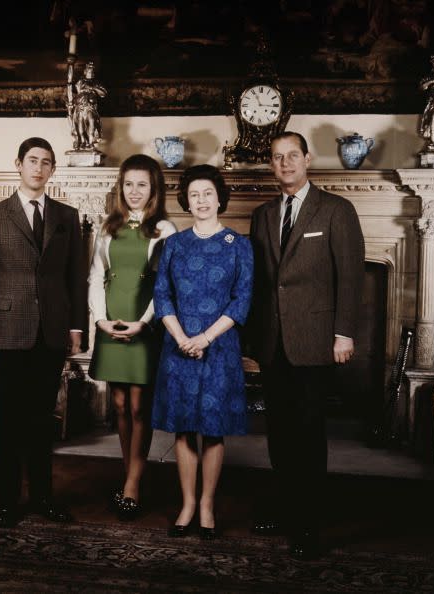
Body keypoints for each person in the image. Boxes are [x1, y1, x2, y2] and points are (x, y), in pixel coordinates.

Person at [248, 131, 364, 560]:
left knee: (309, 434)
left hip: (316, 342)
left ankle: (309, 524)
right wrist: (250, 340)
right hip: (273, 343)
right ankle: (286, 506)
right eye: (277, 158)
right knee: (279, 434)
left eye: (292, 155)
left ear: (307, 159)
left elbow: (350, 277)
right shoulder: (262, 215)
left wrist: (344, 333)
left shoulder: (336, 210)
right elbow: (260, 283)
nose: (285, 164)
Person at [0, 137, 85, 528]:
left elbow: (77, 277)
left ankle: (42, 498)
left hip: (51, 332)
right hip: (5, 330)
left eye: (46, 163)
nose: (39, 168)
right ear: (18, 164)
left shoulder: (67, 217)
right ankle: (6, 501)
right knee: (8, 420)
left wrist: (75, 327)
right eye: (32, 161)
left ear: (53, 170)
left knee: (42, 420)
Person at [152, 165, 253, 539]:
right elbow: (162, 295)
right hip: (178, 347)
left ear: (219, 197)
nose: (201, 201)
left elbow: (242, 300)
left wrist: (206, 338)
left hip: (219, 347)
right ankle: (188, 503)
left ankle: (208, 504)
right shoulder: (174, 244)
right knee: (183, 429)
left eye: (208, 193)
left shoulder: (239, 245)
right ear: (186, 200)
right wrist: (181, 337)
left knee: (213, 430)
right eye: (194, 194)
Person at [88, 154, 176, 519]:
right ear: (120, 188)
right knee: (120, 406)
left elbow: (165, 285)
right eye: (129, 184)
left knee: (140, 406)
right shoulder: (107, 228)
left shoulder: (165, 230)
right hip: (111, 321)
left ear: (153, 189)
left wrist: (143, 322)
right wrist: (100, 319)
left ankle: (133, 486)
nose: (135, 191)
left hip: (145, 324)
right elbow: (96, 276)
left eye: (142, 184)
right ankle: (131, 474)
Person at [67, 60, 107, 151]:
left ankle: (90, 142)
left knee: (92, 121)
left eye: (92, 71)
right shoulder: (80, 82)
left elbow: (103, 93)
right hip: (80, 107)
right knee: (80, 127)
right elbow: (74, 93)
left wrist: (92, 88)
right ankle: (82, 142)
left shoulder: (95, 83)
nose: (90, 73)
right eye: (89, 71)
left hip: (90, 107)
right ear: (85, 72)